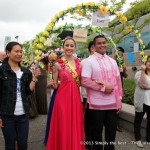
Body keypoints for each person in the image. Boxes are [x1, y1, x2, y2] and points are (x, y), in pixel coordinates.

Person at [81, 35, 123, 150]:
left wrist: (119, 100)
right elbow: (84, 81)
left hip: (112, 103)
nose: (102, 45)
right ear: (94, 46)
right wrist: (103, 88)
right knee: (96, 134)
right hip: (96, 105)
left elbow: (118, 82)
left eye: (104, 42)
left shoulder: (112, 62)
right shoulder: (89, 61)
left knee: (111, 133)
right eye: (99, 43)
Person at [46, 37, 85, 150]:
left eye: (71, 45)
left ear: (75, 48)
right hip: (62, 98)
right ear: (63, 48)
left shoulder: (79, 64)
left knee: (75, 124)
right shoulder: (58, 63)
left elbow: (81, 82)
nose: (69, 48)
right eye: (67, 45)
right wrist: (50, 82)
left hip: (76, 98)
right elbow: (55, 84)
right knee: (63, 124)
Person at [0, 42, 41, 150]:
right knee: (10, 145)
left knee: (23, 144)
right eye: (16, 51)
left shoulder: (26, 72)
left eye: (21, 51)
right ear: (8, 53)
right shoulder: (2, 71)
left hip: (23, 114)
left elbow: (28, 91)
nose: (19, 54)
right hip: (6, 114)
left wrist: (35, 78)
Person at [134, 56, 150, 148]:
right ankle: (138, 139)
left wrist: (149, 87)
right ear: (145, 62)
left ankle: (148, 138)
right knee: (138, 120)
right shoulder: (139, 73)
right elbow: (142, 84)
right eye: (149, 61)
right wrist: (143, 71)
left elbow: (146, 86)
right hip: (142, 100)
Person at [113, 47, 128, 132]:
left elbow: (126, 76)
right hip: (112, 88)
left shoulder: (122, 63)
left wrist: (124, 69)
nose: (120, 56)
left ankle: (116, 124)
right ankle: (112, 123)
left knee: (119, 106)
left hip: (120, 87)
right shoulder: (111, 63)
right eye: (118, 54)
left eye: (121, 55)